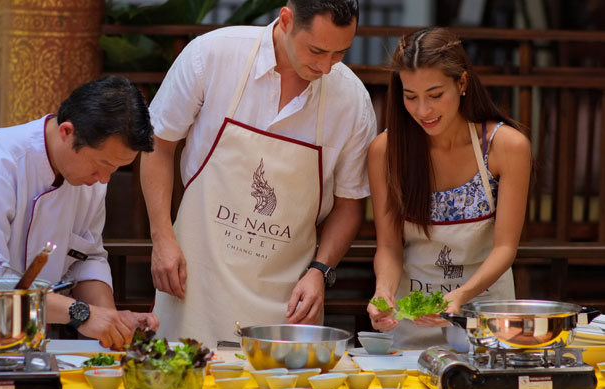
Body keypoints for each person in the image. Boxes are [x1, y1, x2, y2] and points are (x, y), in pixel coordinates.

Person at [141, 0, 377, 347]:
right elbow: (158, 145)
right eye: (316, 50)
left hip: (285, 302)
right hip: (195, 282)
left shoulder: (352, 101)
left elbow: (350, 202)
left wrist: (319, 271)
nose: (326, 66)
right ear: (286, 20)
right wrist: (162, 238)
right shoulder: (213, 55)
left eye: (340, 53)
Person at [0, 76, 159, 350]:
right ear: (67, 132)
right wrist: (84, 315)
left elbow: (87, 259)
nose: (105, 179)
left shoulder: (92, 180)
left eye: (116, 168)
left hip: (32, 321)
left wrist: (110, 321)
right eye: (102, 163)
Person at [366, 27, 532, 349]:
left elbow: (505, 248)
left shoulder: (506, 146)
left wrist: (462, 296)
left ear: (462, 83)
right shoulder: (385, 151)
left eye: (435, 94)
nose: (423, 111)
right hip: (413, 324)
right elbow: (389, 246)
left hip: (484, 317)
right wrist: (383, 292)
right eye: (410, 97)